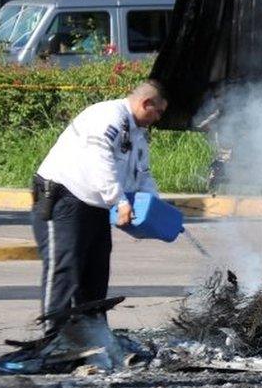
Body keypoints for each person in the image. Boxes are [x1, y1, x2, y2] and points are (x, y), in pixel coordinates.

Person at [32, 80, 167, 335]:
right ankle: (53, 336)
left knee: (97, 270)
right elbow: (99, 161)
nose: (158, 118)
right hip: (64, 196)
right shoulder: (108, 117)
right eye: (157, 111)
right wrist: (119, 201)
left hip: (94, 204)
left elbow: (143, 173)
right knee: (65, 266)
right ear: (145, 103)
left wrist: (154, 207)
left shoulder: (137, 132)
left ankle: (91, 333)